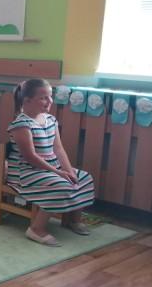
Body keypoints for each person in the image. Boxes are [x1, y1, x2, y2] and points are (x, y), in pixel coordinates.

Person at [8, 79, 95, 246]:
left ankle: (73, 220)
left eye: (50, 96)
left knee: (84, 178)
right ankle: (36, 228)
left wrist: (68, 171)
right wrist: (58, 173)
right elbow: (30, 156)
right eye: (43, 98)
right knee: (62, 185)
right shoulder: (21, 124)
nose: (49, 101)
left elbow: (59, 149)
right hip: (27, 172)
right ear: (27, 101)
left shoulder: (50, 120)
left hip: (51, 168)